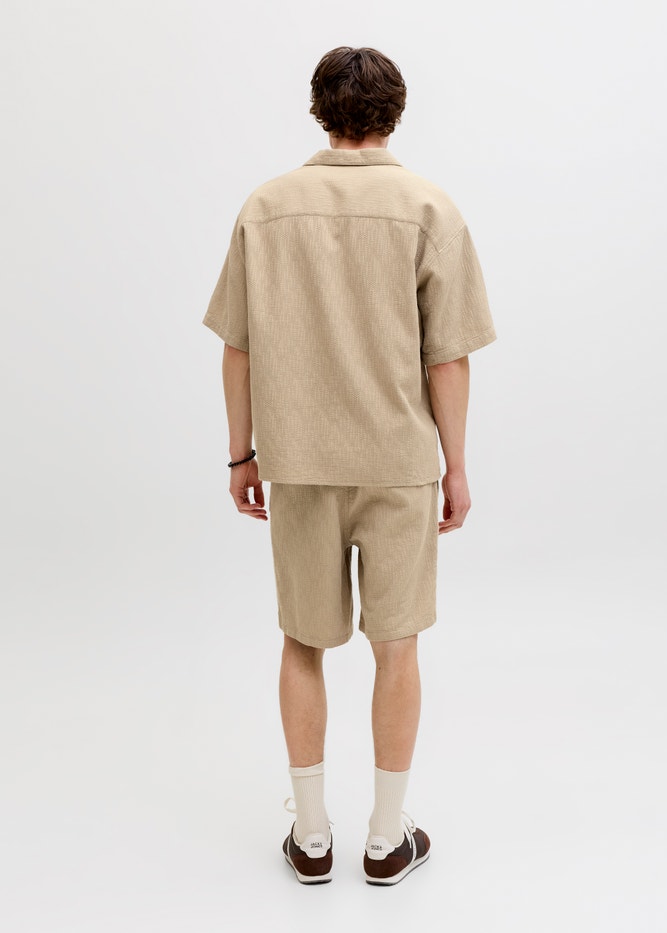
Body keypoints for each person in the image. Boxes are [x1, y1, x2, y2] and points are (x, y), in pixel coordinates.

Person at [202, 46, 496, 886]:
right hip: (400, 462)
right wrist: (456, 466)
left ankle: (311, 836)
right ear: (394, 112)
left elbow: (237, 347)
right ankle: (386, 837)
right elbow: (448, 357)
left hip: (298, 461)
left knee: (303, 641)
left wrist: (241, 452)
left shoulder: (266, 206)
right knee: (396, 646)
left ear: (319, 110)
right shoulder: (429, 207)